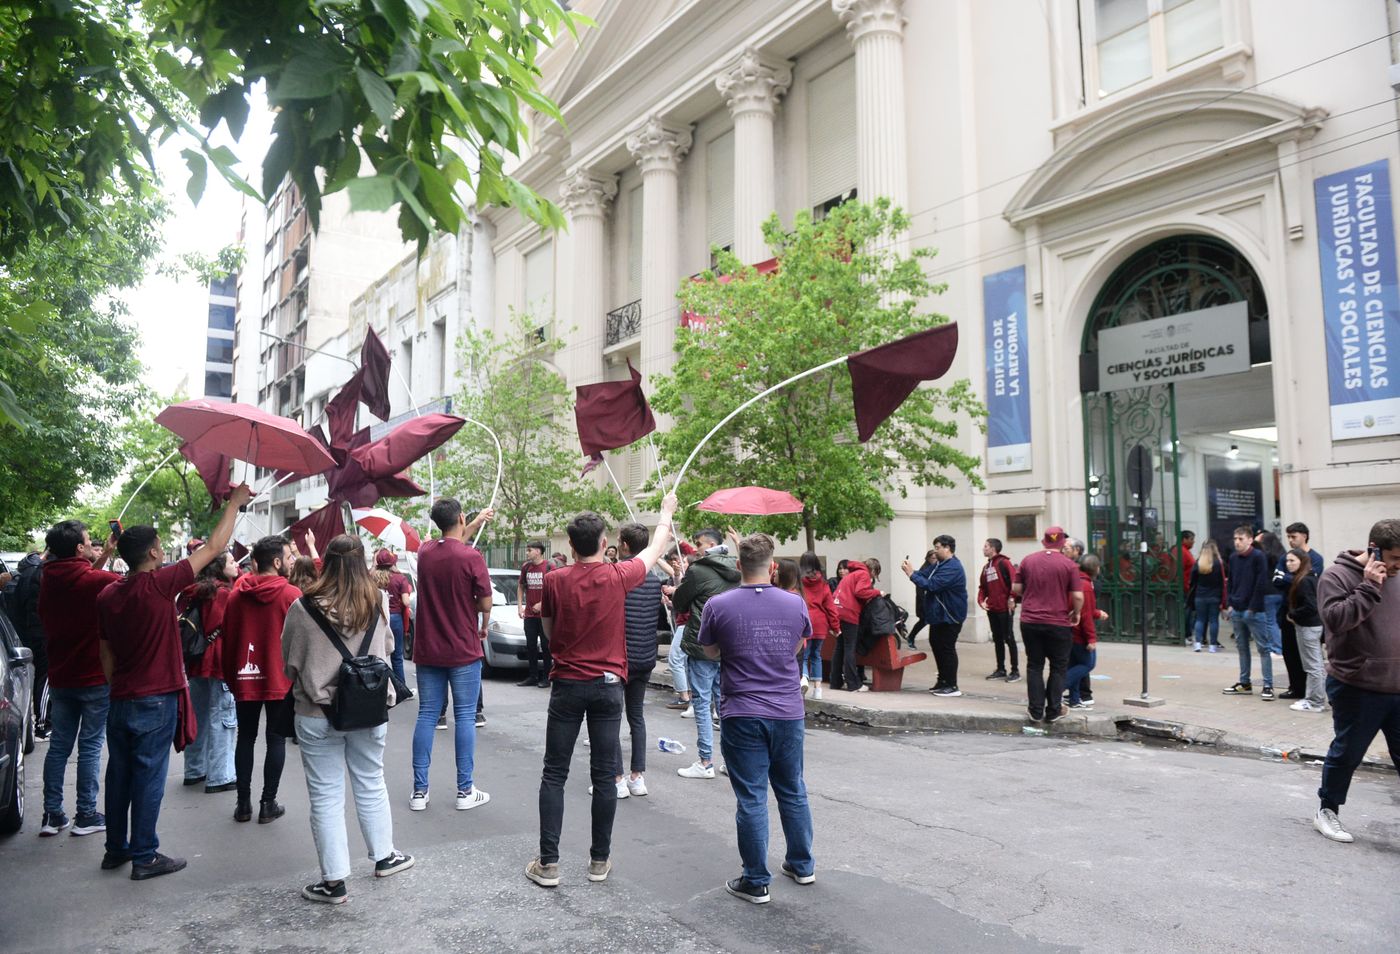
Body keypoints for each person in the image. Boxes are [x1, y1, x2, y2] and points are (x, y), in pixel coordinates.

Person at [96, 484, 251, 879]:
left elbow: (105, 652)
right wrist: (234, 502)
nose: (164, 550)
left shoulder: (108, 595)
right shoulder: (161, 583)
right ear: (151, 553)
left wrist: (118, 686)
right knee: (148, 775)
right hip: (155, 696)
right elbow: (215, 546)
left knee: (119, 774)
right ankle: (145, 855)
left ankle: (116, 848)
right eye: (160, 545)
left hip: (121, 697)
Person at [525, 494, 677, 888]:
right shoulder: (618, 575)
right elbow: (656, 548)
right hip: (609, 686)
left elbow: (547, 629)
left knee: (554, 773)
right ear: (604, 540)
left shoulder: (555, 580)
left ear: (570, 546)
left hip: (567, 684)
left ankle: (549, 863)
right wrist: (666, 513)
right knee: (605, 775)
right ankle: (598, 861)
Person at [282, 534, 413, 902]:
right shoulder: (379, 604)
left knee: (325, 794)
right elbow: (387, 649)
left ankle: (334, 881)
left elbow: (289, 662)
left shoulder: (302, 607)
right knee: (371, 780)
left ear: (327, 561)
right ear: (362, 562)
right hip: (369, 708)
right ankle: (385, 856)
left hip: (316, 712)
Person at [697, 533, 814, 903]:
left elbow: (710, 650)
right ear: (773, 566)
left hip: (742, 711)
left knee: (751, 797)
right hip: (787, 711)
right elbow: (798, 645)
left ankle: (756, 879)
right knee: (792, 789)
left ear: (738, 566)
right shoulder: (795, 604)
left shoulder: (719, 604)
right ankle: (802, 864)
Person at [1312, 519, 1400, 844]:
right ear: (1373, 549)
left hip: (1396, 684)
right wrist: (1369, 587)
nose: (1398, 566)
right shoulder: (1336, 576)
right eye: (1394, 559)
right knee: (1348, 752)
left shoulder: (1398, 576)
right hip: (1356, 683)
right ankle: (1327, 810)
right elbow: (1335, 621)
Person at [37, 520, 121, 837]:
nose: (91, 544)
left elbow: (81, 578)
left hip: (60, 677)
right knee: (89, 747)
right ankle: (86, 814)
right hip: (93, 678)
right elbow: (117, 583)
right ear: (79, 548)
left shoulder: (47, 580)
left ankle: (52, 814)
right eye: (88, 542)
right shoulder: (94, 581)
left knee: (59, 746)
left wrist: (106, 554)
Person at [410, 499, 494, 812]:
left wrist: (472, 524)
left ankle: (420, 792)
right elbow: (485, 605)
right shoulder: (471, 556)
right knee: (465, 718)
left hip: (428, 648)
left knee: (427, 715)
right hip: (462, 647)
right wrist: (470, 606)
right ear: (461, 517)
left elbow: (451, 543)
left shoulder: (425, 552)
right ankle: (464, 790)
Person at [223, 534, 300, 824]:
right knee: (275, 739)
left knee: (245, 737)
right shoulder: (291, 596)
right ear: (277, 561)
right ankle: (268, 803)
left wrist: (232, 677)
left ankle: (243, 804)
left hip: (245, 676)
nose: (292, 562)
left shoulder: (236, 596)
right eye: (288, 557)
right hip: (281, 679)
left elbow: (228, 641)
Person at [673, 529, 741, 777]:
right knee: (725, 704)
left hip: (703, 644)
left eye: (699, 544)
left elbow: (680, 602)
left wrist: (680, 586)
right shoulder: (737, 567)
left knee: (702, 704)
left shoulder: (698, 570)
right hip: (729, 644)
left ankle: (705, 762)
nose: (696, 548)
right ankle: (730, 761)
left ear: (711, 545)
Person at [176, 551, 238, 794]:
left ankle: (194, 770)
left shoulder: (192, 591)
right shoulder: (222, 594)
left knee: (199, 715)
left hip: (195, 660)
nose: (236, 565)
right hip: (219, 661)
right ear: (220, 567)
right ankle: (220, 775)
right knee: (222, 716)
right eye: (232, 562)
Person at [613, 522, 664, 798]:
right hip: (645, 656)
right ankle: (637, 777)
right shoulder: (654, 580)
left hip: (621, 658)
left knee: (612, 718)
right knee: (637, 718)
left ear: (623, 545)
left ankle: (618, 778)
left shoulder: (618, 575)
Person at [1012, 526, 1083, 724]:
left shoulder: (1028, 560)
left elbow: (1017, 588)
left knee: (1035, 665)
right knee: (1058, 667)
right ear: (1062, 543)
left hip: (1030, 621)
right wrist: (1076, 613)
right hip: (1058, 622)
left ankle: (1035, 710)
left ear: (1044, 541)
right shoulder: (1069, 565)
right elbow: (1077, 595)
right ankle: (1053, 710)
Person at [903, 535, 967, 697]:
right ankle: (942, 681)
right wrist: (911, 571)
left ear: (947, 548)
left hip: (950, 615)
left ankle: (952, 685)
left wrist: (911, 575)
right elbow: (924, 575)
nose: (935, 551)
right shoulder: (940, 564)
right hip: (938, 616)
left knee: (946, 648)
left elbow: (932, 585)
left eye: (938, 548)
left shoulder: (953, 567)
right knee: (937, 645)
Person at [1275, 522, 1326, 700]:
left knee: (1311, 657)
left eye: (1293, 536)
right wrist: (1292, 578)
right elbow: (1276, 580)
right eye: (1288, 536)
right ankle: (1296, 688)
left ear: (1304, 536)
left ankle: (1313, 695)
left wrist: (1290, 578)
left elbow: (1310, 581)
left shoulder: (1316, 558)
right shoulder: (1285, 557)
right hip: (1287, 611)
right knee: (1290, 652)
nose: (1290, 540)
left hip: (1305, 615)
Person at [1223, 526, 1273, 699]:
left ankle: (1268, 685)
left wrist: (1252, 607)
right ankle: (1245, 682)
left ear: (1250, 540)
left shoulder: (1258, 557)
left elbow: (1261, 583)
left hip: (1255, 610)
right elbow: (1231, 582)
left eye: (1241, 539)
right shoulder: (1233, 558)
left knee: (1263, 648)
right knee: (1242, 648)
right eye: (1235, 539)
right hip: (1237, 609)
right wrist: (1230, 603)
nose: (1237, 542)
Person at [6, 550, 49, 741]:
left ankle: (37, 720)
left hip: (22, 636)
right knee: (44, 677)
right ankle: (43, 723)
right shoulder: (38, 576)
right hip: (39, 635)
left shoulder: (19, 579)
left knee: (30, 678)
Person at [1282, 548, 1327, 713]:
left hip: (1308, 626)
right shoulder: (1307, 578)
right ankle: (1314, 698)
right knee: (1315, 664)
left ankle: (1315, 701)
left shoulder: (1305, 581)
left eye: (1292, 560)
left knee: (1312, 665)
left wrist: (1293, 614)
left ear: (1302, 562)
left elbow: (1311, 606)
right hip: (1310, 626)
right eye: (1287, 560)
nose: (1288, 564)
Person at [832, 558, 882, 692]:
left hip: (838, 610)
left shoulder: (853, 573)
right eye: (875, 574)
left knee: (840, 647)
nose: (873, 577)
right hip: (849, 613)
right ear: (873, 570)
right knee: (850, 648)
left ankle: (835, 682)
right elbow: (860, 592)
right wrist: (878, 592)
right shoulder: (864, 574)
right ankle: (853, 684)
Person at [1066, 555, 1106, 709]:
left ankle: (1074, 699)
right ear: (1096, 569)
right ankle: (1055, 688)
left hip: (1069, 629)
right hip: (1078, 633)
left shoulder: (1075, 580)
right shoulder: (1086, 586)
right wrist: (1091, 639)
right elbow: (1085, 615)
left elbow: (1085, 609)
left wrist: (1097, 613)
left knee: (1074, 664)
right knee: (1088, 663)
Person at [977, 538, 1019, 682]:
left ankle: (1015, 670)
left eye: (986, 546)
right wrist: (981, 600)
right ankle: (1001, 668)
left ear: (993, 548)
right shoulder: (986, 567)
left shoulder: (1004, 563)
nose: (983, 548)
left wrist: (1012, 598)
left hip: (1004, 608)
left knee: (1009, 638)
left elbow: (1014, 581)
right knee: (997, 639)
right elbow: (982, 587)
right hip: (993, 608)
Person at [799, 552, 838, 701]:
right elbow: (830, 607)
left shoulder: (800, 582)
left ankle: (804, 679)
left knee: (803, 656)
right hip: (821, 624)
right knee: (816, 656)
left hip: (805, 622)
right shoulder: (823, 583)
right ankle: (818, 690)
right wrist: (836, 627)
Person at [517, 540, 553, 688]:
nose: (527, 553)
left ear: (538, 551)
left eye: (529, 550)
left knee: (546, 646)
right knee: (530, 645)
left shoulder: (549, 566)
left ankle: (546, 677)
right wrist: (520, 606)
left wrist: (543, 604)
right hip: (530, 614)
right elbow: (520, 586)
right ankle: (532, 675)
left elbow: (554, 588)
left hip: (545, 615)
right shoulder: (526, 567)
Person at [374, 550, 413, 685]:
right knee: (397, 656)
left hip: (377, 617)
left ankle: (377, 686)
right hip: (395, 618)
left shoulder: (371, 577)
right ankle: (400, 687)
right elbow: (407, 601)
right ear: (393, 563)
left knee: (378, 654)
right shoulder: (400, 578)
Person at [1189, 540, 1227, 653]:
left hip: (1200, 596)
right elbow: (1222, 581)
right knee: (1213, 620)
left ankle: (1198, 644)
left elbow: (1192, 580)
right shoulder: (1218, 564)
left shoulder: (1198, 563)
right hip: (1215, 596)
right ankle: (1213, 645)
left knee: (1200, 620)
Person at [1255, 531, 1286, 656]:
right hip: (1280, 591)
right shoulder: (1282, 555)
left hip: (1268, 592)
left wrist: (1256, 542)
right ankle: (1279, 646)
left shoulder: (1264, 556)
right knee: (1277, 621)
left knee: (1270, 621)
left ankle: (1277, 648)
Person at [905, 549, 935, 650]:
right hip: (924, 601)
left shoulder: (933, 568)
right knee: (924, 621)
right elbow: (921, 588)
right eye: (933, 558)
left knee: (928, 621)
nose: (935, 560)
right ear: (928, 558)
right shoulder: (926, 569)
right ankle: (911, 637)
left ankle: (911, 637)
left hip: (929, 602)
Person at [1177, 530, 1197, 640]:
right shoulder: (1182, 551)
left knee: (1189, 612)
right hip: (1185, 587)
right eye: (1191, 539)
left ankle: (1187, 633)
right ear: (1184, 539)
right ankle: (1185, 634)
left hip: (1188, 587)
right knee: (1187, 612)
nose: (1193, 542)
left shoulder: (1185, 551)